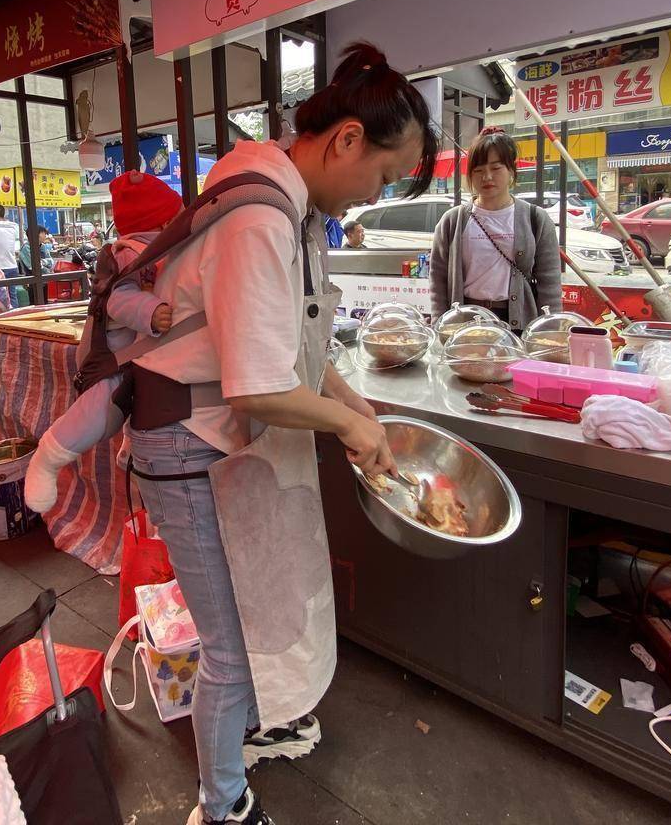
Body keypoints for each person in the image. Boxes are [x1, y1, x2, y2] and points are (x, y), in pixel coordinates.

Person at [125, 43, 436, 825]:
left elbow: (294, 345)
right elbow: (259, 383)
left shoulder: (285, 206)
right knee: (230, 647)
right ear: (346, 142)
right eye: (384, 176)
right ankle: (223, 804)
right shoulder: (263, 214)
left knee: (262, 608)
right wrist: (347, 428)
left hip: (220, 440)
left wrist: (348, 400)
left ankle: (254, 730)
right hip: (189, 443)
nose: (374, 195)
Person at [22, 171, 183, 511]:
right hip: (111, 356)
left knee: (134, 401)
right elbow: (118, 299)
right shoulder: (130, 254)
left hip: (133, 355)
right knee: (98, 409)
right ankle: (48, 457)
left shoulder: (155, 247)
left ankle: (129, 451)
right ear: (164, 221)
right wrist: (151, 311)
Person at [428, 126, 562, 331]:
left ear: (511, 171)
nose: (487, 177)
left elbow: (550, 281)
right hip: (464, 324)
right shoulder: (452, 221)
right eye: (478, 170)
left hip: (518, 322)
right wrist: (440, 323)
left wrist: (550, 329)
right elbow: (438, 279)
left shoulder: (536, 218)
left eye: (496, 168)